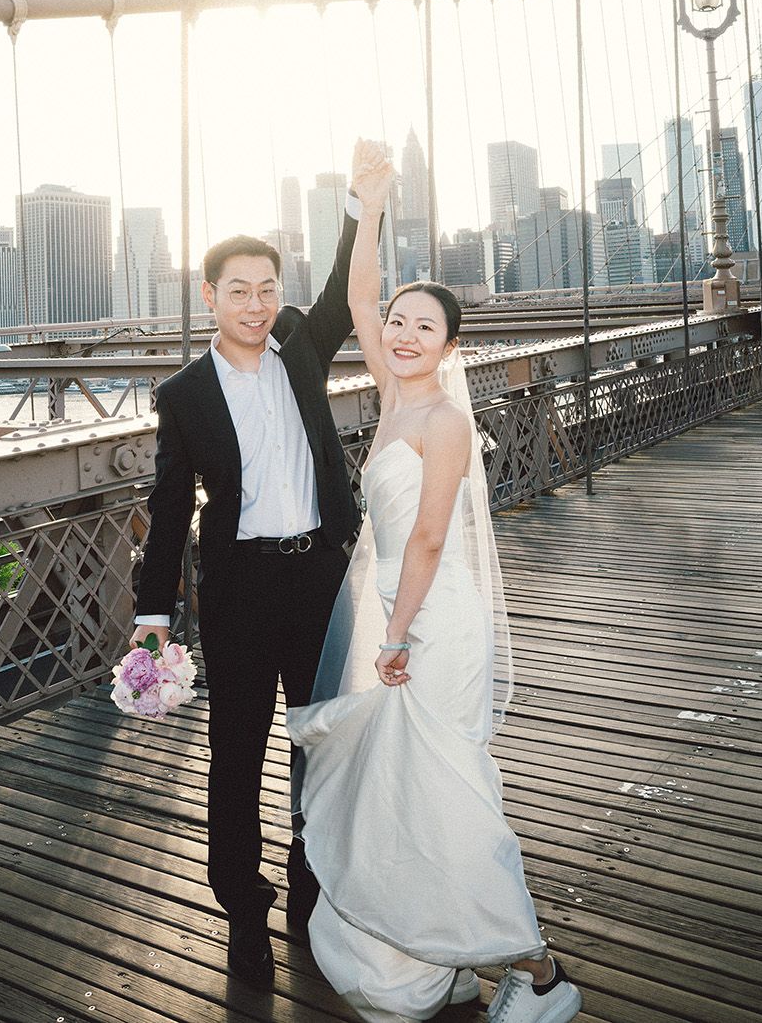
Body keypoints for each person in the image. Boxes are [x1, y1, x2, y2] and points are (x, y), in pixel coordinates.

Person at [286, 140, 583, 1023]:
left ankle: (533, 964)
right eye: (400, 323)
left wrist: (397, 636)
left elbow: (422, 540)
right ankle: (439, 957)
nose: (404, 333)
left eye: (425, 326)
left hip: (427, 622)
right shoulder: (393, 396)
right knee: (397, 791)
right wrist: (368, 207)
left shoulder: (444, 419)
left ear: (450, 344)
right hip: (394, 618)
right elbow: (359, 297)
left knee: (444, 789)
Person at [129, 199, 364, 991]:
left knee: (320, 742)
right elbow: (167, 513)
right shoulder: (184, 395)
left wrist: (360, 206)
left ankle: (311, 883)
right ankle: (242, 913)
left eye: (267, 288)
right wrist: (153, 617)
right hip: (239, 589)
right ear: (208, 296)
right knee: (236, 754)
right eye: (239, 290)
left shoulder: (302, 350)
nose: (257, 304)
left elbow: (338, 293)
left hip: (321, 578)